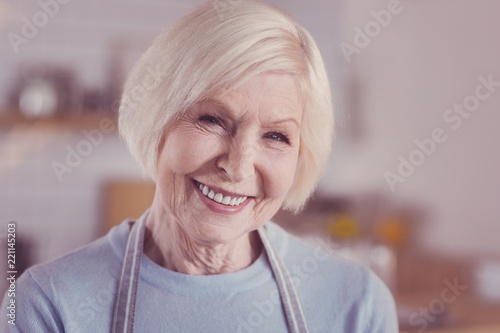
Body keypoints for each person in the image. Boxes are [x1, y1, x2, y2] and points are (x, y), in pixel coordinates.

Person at [1, 1, 398, 332]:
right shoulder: (49, 307)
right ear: (158, 120)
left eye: (277, 136)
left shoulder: (357, 306)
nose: (238, 166)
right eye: (212, 120)